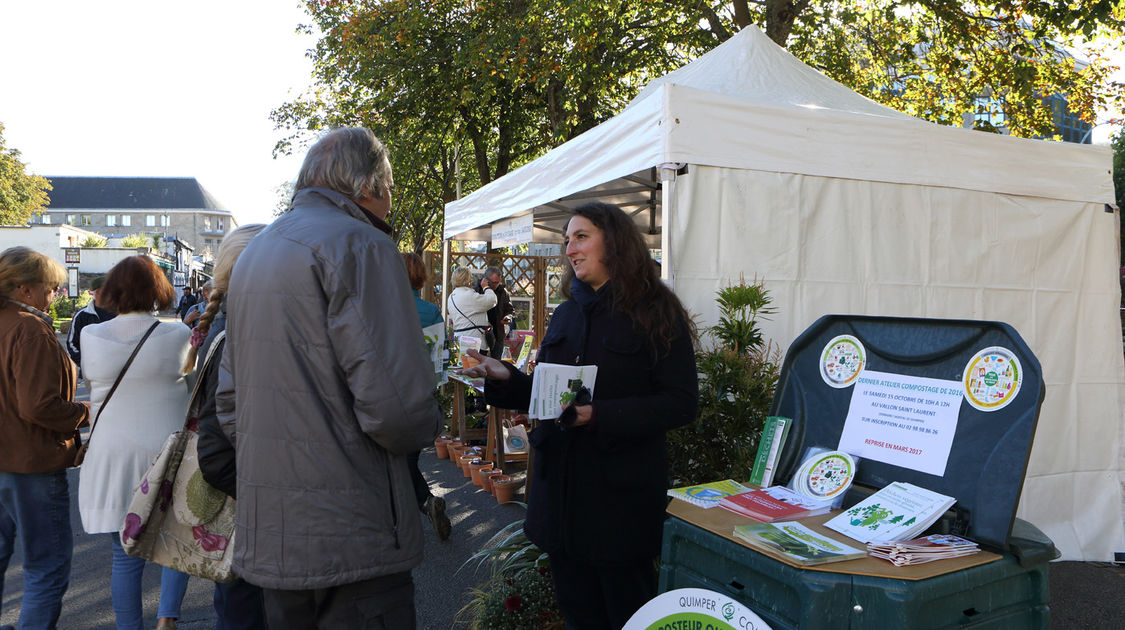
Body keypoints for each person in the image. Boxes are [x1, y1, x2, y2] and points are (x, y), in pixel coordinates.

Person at [216, 127, 444, 629]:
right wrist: (432, 419)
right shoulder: (361, 245)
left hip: (273, 532)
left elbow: (229, 403)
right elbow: (398, 411)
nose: (389, 205)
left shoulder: (256, 251)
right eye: (389, 190)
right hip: (352, 532)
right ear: (369, 187)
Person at [462, 202, 699, 629]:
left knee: (627, 618)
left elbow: (681, 402)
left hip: (619, 507)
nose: (570, 248)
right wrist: (506, 377)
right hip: (562, 504)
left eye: (581, 236)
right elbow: (551, 396)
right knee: (579, 619)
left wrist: (599, 415)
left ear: (616, 241)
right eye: (568, 238)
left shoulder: (656, 312)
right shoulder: (568, 311)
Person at [77, 256, 192, 630]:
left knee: (123, 555)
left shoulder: (91, 336)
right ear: (157, 290)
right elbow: (192, 388)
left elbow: (93, 383)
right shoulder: (178, 336)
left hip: (112, 454)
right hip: (166, 452)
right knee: (174, 543)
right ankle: (166, 618)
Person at [182, 226, 269, 630]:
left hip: (244, 515)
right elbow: (217, 454)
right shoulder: (237, 334)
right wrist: (267, 495)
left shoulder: (230, 326)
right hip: (249, 513)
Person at [0, 246, 90, 629]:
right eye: (50, 288)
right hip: (31, 462)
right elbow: (38, 405)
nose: (55, 295)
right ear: (24, 289)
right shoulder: (29, 328)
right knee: (46, 568)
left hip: (6, 458)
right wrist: (86, 413)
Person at [401, 252, 451, 541]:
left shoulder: (382, 308)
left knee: (399, 460)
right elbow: (438, 361)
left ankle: (423, 504)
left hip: (387, 394)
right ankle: (424, 503)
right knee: (407, 458)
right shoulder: (430, 312)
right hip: (420, 394)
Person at [66, 274, 116, 372]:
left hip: (117, 370)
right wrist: (84, 364)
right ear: (96, 292)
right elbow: (71, 343)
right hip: (91, 371)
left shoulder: (120, 313)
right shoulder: (82, 315)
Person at [447, 267, 496, 355]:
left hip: (459, 340)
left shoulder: (451, 297)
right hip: (474, 342)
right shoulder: (469, 295)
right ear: (468, 280)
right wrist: (486, 287)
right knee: (475, 367)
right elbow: (492, 300)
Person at [483, 266, 515, 359]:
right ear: (486, 279)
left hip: (498, 333)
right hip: (482, 333)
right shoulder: (478, 290)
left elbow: (510, 310)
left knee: (496, 363)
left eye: (498, 282)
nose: (496, 285)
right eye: (494, 282)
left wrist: (508, 317)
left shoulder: (502, 291)